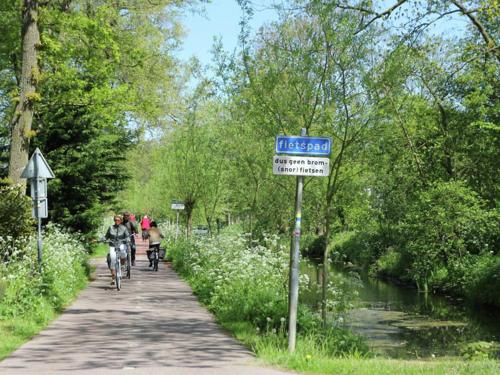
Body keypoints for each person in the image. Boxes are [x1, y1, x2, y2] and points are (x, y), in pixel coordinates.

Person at [104, 215, 130, 284]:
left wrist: (128, 239)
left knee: (123, 252)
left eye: (118, 220)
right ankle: (113, 276)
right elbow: (106, 236)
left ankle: (122, 264)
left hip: (121, 244)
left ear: (121, 221)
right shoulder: (111, 228)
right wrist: (102, 239)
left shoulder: (124, 228)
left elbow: (127, 236)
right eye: (115, 220)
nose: (117, 221)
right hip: (112, 245)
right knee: (112, 259)